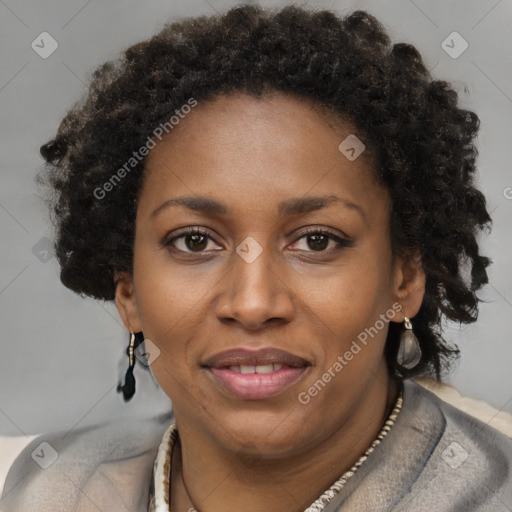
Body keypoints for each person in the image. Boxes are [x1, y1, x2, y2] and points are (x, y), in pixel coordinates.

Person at [1, 4, 511, 511]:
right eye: (195, 241)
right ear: (129, 292)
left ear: (405, 279)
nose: (252, 303)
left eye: (316, 241)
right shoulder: (40, 490)